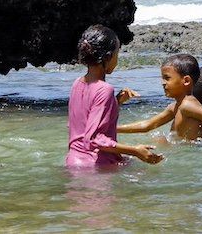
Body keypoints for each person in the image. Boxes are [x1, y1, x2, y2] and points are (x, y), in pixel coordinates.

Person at [67, 24, 163, 167]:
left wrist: (116, 102)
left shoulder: (77, 83)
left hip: (73, 161)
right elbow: (94, 139)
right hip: (95, 165)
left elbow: (86, 121)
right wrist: (135, 151)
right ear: (108, 57)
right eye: (117, 54)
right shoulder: (105, 89)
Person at [118, 53, 202, 144]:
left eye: (167, 78)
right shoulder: (175, 107)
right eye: (162, 78)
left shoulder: (188, 106)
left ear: (186, 81)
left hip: (192, 158)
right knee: (160, 139)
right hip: (186, 151)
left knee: (160, 140)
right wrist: (114, 128)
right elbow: (147, 125)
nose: (163, 83)